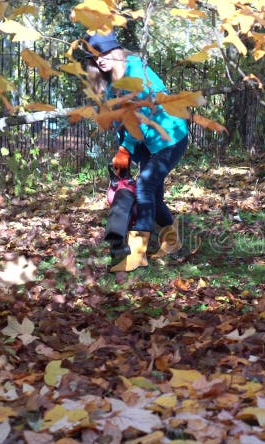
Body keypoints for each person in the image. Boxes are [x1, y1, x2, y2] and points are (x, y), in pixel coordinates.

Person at [85, 30, 188, 272]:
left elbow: (139, 116)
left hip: (169, 137)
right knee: (152, 195)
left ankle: (137, 253)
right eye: (95, 56)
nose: (100, 59)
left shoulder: (135, 73)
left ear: (117, 50)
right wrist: (125, 153)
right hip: (146, 143)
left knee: (144, 187)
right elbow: (122, 120)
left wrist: (125, 148)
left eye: (104, 52)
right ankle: (173, 243)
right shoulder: (111, 80)